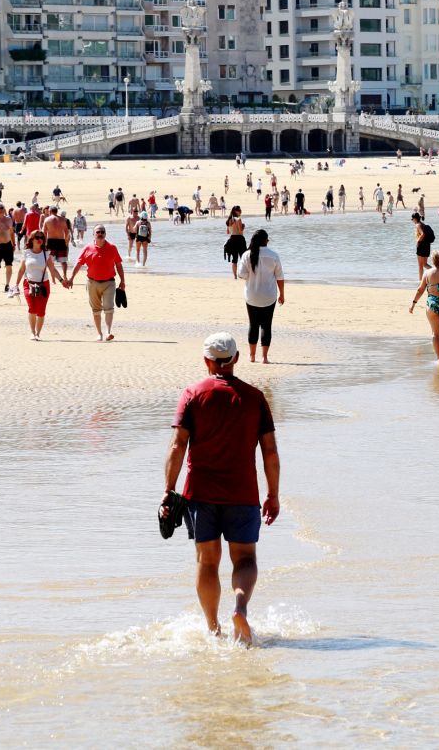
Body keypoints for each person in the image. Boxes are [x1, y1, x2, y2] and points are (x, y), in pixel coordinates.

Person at [161, 332, 280, 646]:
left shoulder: (192, 394)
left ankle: (213, 628)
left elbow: (178, 445)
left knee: (207, 560)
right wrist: (273, 494)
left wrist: (168, 490)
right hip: (242, 493)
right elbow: (270, 451)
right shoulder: (254, 397)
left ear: (207, 361)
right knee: (245, 559)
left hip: (200, 494)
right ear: (236, 359)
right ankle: (240, 607)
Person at [66, 225, 126, 341]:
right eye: (98, 232)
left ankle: (108, 332)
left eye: (102, 232)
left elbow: (118, 265)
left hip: (109, 282)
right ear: (93, 234)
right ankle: (99, 334)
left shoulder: (112, 247)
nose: (100, 233)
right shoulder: (87, 248)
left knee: (109, 307)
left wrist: (122, 281)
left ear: (105, 234)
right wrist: (71, 278)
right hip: (92, 283)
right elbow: (78, 264)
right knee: (96, 309)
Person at [238, 230, 284, 364]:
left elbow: (241, 274)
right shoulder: (274, 256)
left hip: (252, 295)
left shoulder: (247, 255)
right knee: (266, 325)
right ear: (266, 241)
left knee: (253, 325)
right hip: (269, 295)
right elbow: (279, 277)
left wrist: (251, 276)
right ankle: (264, 357)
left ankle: (252, 356)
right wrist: (282, 294)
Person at [14, 230, 68, 340]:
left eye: (42, 238)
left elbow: (53, 270)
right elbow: (21, 270)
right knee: (32, 308)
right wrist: (16, 285)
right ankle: (32, 332)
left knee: (41, 310)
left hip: (43, 285)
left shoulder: (46, 253)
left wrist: (62, 281)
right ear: (32, 239)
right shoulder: (26, 252)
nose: (40, 240)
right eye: (37, 237)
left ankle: (38, 333)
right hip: (28, 284)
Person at [224, 206, 247, 279]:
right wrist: (243, 227)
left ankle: (235, 276)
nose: (240, 211)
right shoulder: (238, 219)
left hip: (232, 239)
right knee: (243, 258)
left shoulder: (229, 220)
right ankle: (243, 275)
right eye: (239, 210)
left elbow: (227, 232)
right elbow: (240, 231)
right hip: (240, 239)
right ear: (235, 211)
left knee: (234, 259)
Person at [412, 212, 435, 279]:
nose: (412, 221)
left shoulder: (418, 225)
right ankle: (436, 271)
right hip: (427, 245)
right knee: (425, 264)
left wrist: (418, 241)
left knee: (420, 266)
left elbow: (423, 234)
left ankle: (420, 281)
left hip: (421, 245)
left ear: (415, 219)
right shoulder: (423, 224)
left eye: (412, 219)